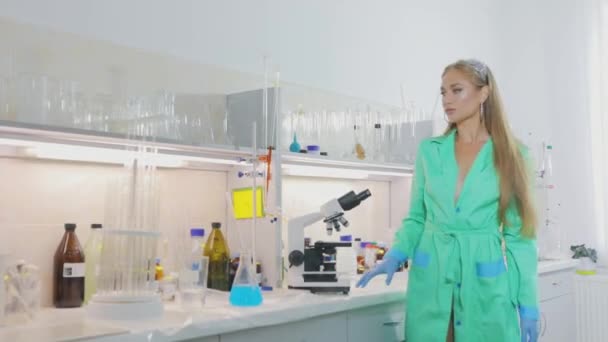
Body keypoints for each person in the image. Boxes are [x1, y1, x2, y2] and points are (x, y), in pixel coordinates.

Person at [356, 59, 539, 342]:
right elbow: (417, 216)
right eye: (443, 92)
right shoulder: (430, 151)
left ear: (483, 93)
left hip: (484, 284)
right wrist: (397, 253)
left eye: (457, 90)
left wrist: (528, 303)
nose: (447, 100)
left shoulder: (512, 155)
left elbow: (520, 239)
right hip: (432, 279)